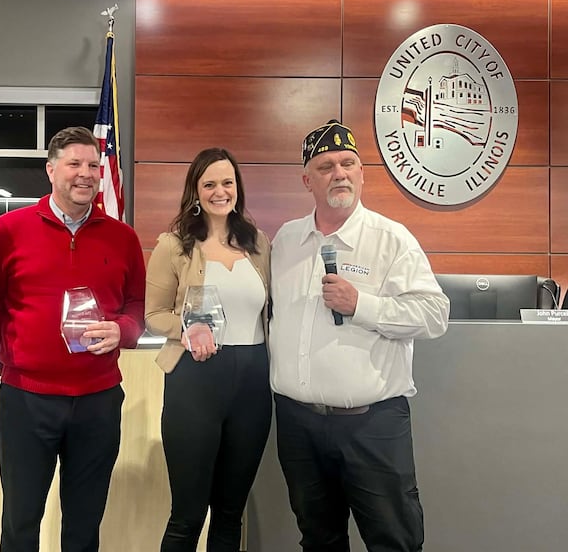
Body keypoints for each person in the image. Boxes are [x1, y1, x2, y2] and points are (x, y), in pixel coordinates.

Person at [269, 119, 450, 552]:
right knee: (318, 538)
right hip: (298, 424)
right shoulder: (286, 240)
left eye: (349, 163)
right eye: (327, 166)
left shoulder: (391, 240)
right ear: (307, 179)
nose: (340, 173)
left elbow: (434, 314)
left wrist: (362, 305)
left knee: (393, 540)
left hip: (372, 425)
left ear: (363, 172)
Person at [0, 125, 146, 552]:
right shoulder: (10, 230)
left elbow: (137, 307)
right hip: (26, 399)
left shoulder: (122, 237)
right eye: (74, 164)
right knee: (20, 519)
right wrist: (5, 357)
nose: (85, 173)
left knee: (85, 523)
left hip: (98, 400)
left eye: (92, 165)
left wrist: (122, 331)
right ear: (51, 170)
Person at [146, 147, 272, 552]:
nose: (221, 191)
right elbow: (153, 315)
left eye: (228, 182)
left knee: (230, 515)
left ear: (238, 188)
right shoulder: (174, 245)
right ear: (196, 192)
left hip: (252, 386)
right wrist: (186, 328)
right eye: (210, 184)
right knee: (187, 515)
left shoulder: (259, 244)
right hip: (195, 384)